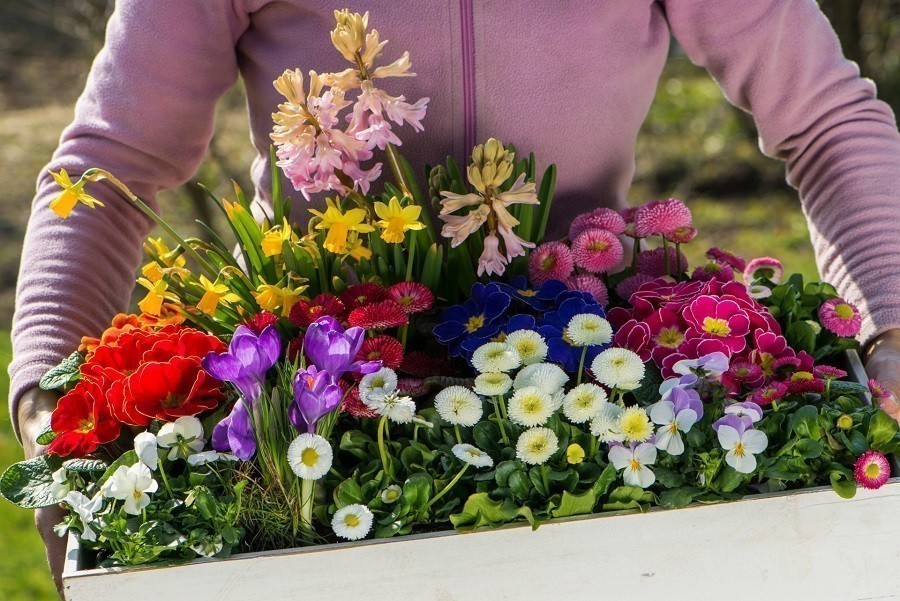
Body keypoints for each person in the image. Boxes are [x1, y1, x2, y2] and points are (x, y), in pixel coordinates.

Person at [10, 0, 900, 593]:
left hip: (604, 394)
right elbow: (112, 162)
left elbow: (824, 116)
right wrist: (48, 401)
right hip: (322, 423)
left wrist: (891, 316)